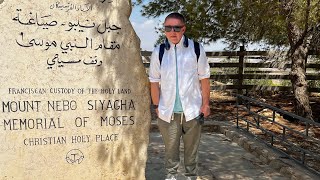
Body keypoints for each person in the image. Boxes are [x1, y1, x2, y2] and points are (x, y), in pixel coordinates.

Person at [149, 12, 211, 180]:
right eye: (168, 28)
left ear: (183, 29)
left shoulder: (196, 49)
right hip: (168, 113)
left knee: (191, 152)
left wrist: (205, 105)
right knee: (170, 151)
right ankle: (171, 177)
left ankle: (191, 176)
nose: (173, 32)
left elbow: (204, 78)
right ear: (164, 30)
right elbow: (154, 81)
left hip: (193, 111)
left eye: (177, 27)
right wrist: (156, 106)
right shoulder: (159, 52)